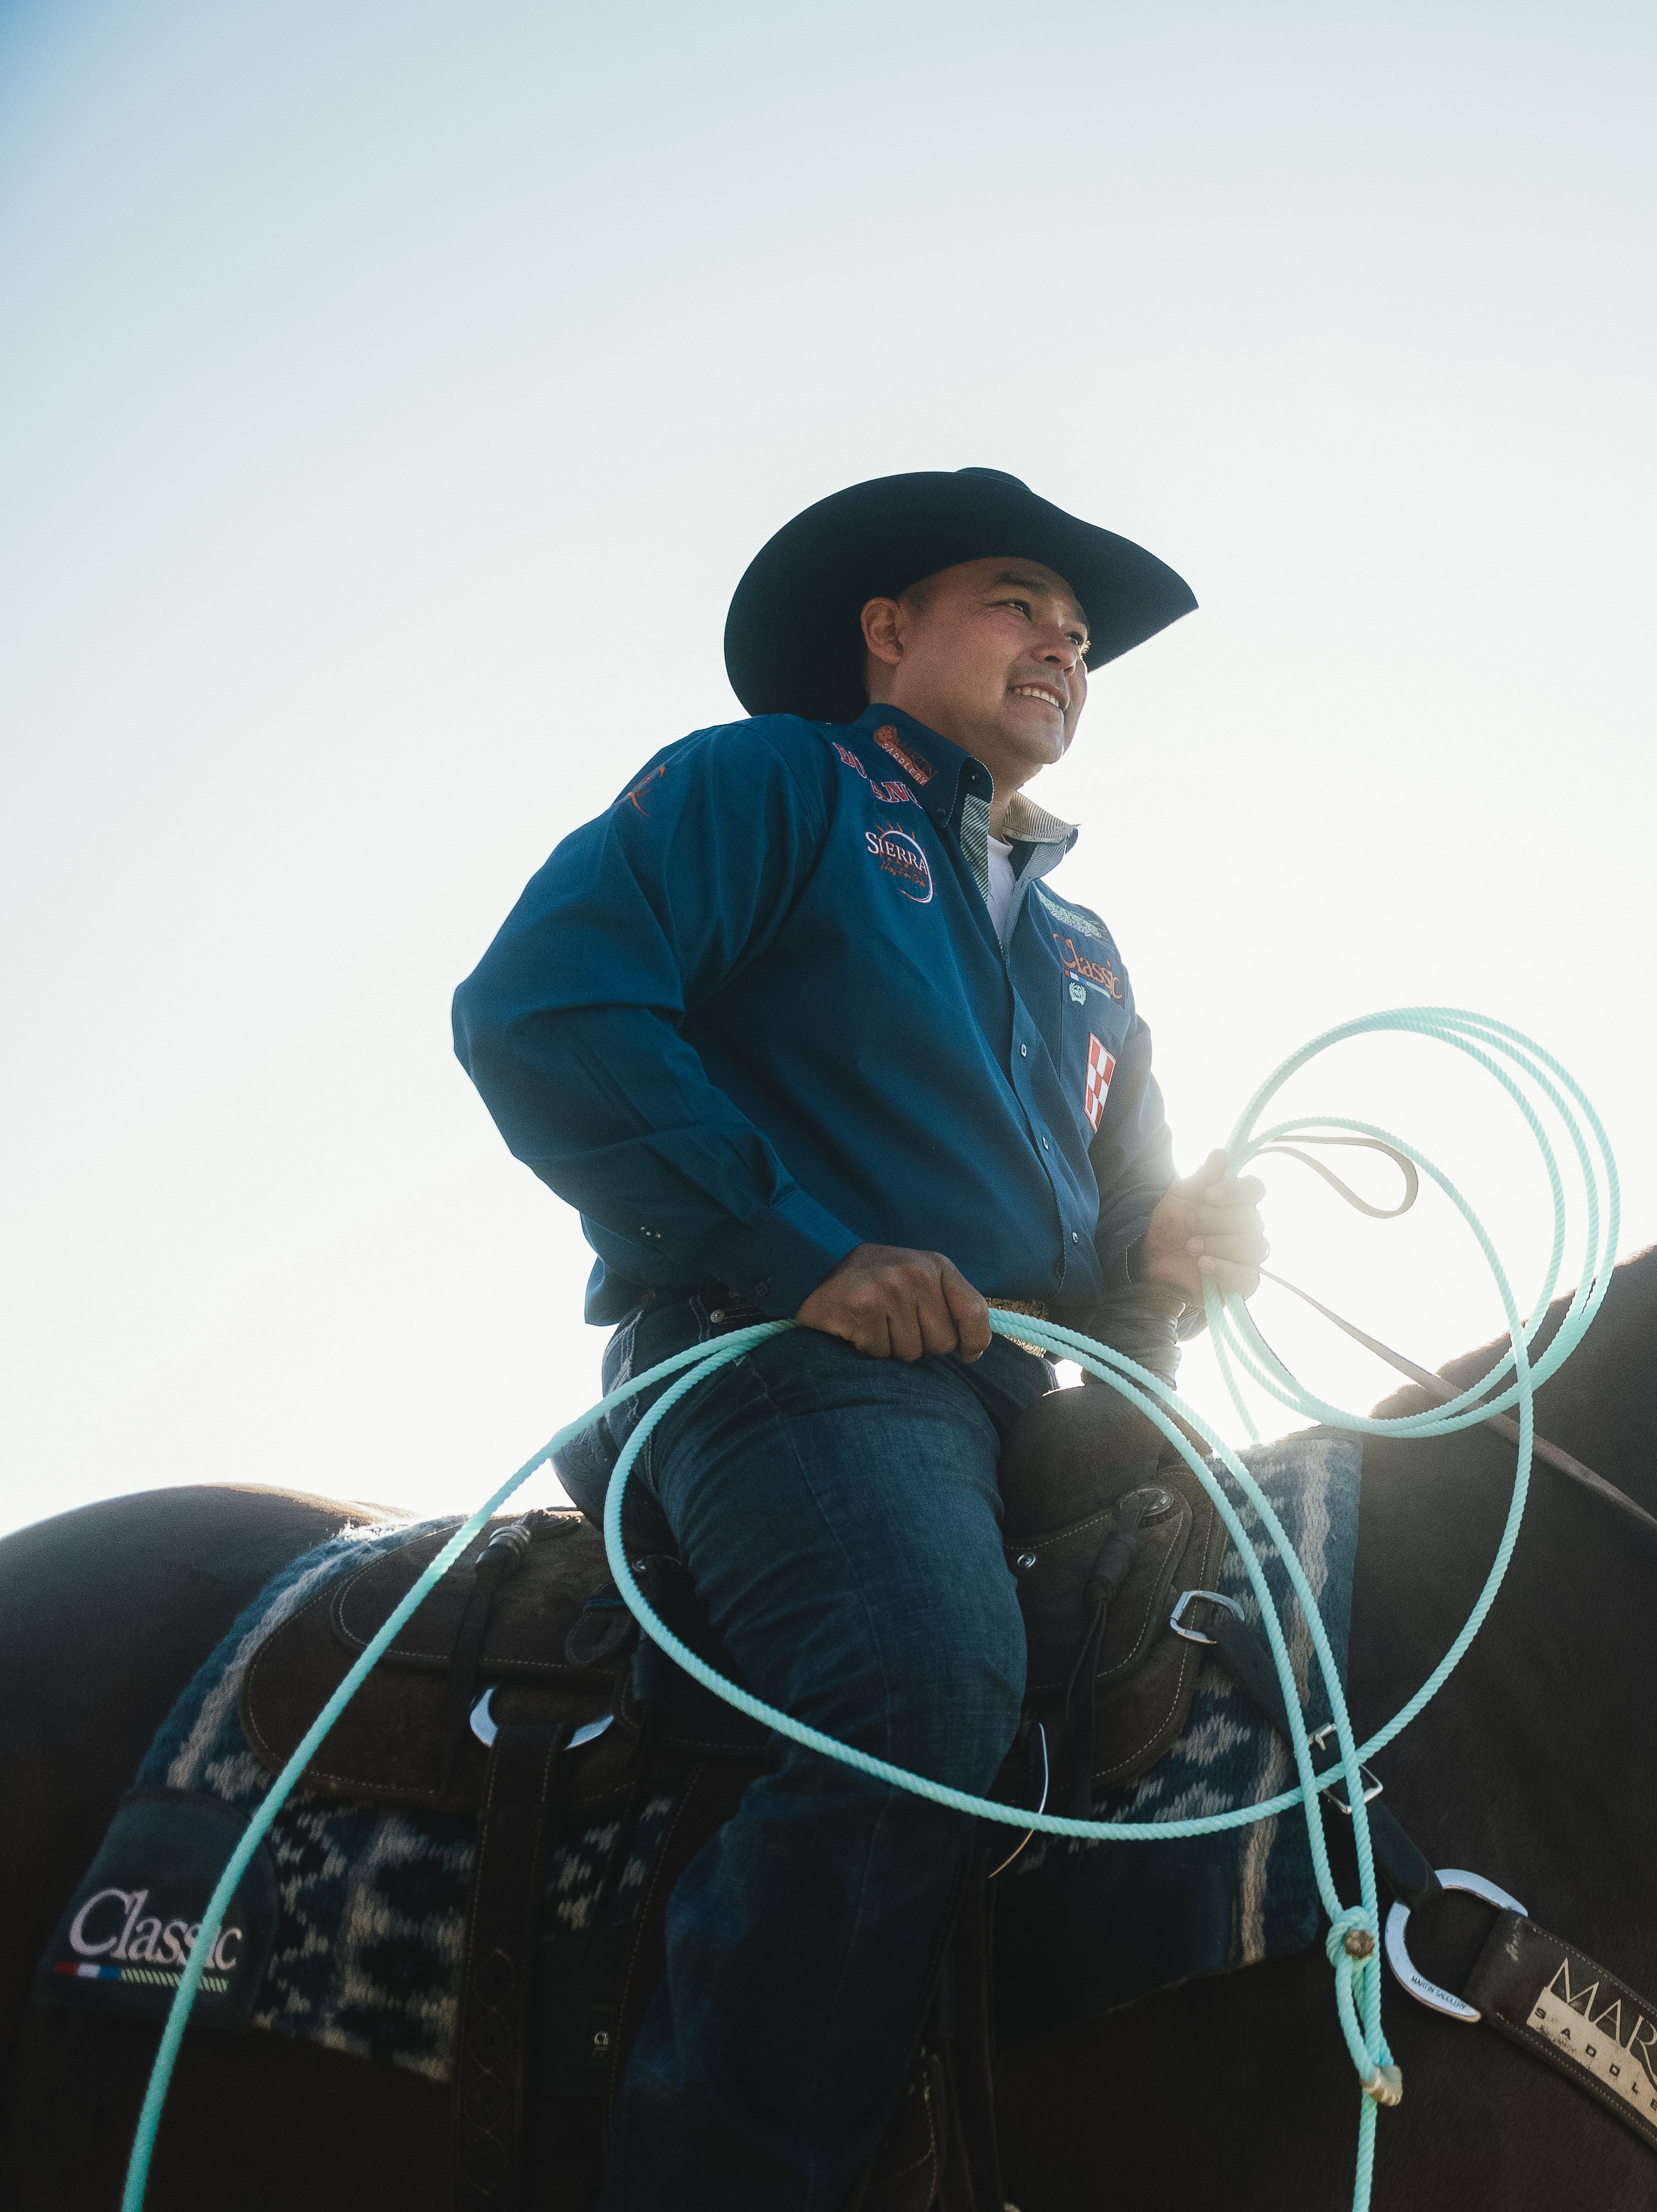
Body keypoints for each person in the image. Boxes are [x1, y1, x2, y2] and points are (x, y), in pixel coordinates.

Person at [451, 466, 1267, 2207]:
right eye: (1018, 600)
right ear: (889, 633)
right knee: (922, 1678)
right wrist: (798, 1253)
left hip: (1018, 1403)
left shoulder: (1089, 955)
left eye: (1078, 632)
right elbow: (546, 1004)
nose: (1062, 642)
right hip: (776, 1374)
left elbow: (1117, 1256)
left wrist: (1179, 1253)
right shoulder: (773, 786)